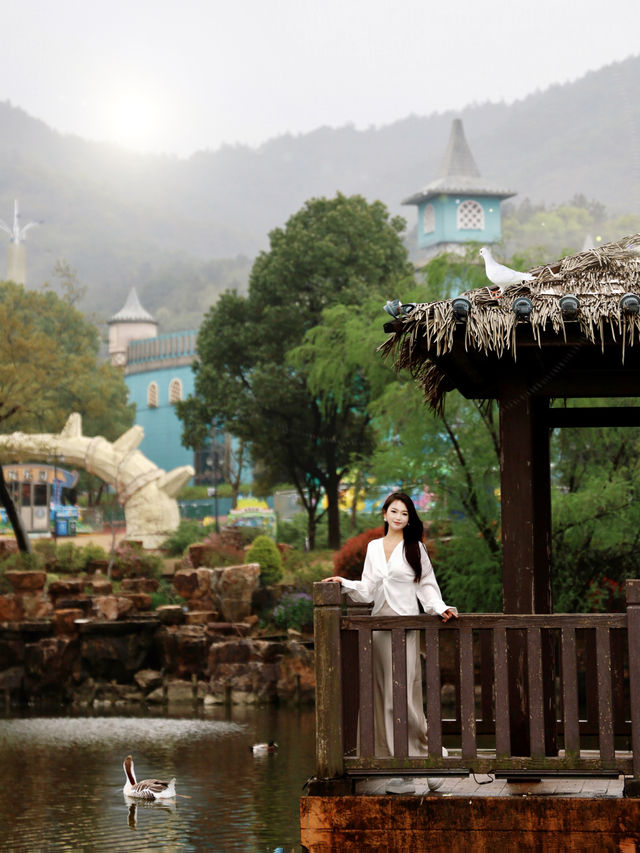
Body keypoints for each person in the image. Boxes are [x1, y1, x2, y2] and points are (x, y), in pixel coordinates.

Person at [323, 491, 457, 794]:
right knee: (384, 699)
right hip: (380, 630)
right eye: (394, 511)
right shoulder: (372, 548)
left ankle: (431, 756)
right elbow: (368, 591)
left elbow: (427, 587)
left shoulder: (415, 548)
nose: (399, 517)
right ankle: (401, 770)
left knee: (406, 697)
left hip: (406, 627)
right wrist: (343, 583)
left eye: (405, 513)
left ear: (409, 519)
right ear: (385, 514)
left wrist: (440, 608)